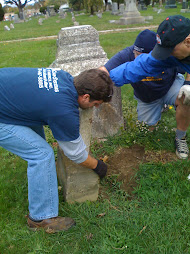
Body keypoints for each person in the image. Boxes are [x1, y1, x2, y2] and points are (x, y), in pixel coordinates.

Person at [0, 67, 113, 233]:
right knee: (41, 154)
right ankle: (40, 218)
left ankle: (42, 180)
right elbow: (75, 153)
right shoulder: (64, 109)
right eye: (96, 104)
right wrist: (98, 166)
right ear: (86, 96)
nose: (95, 107)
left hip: (7, 95)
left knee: (37, 135)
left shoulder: (63, 77)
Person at [101, 15, 190, 159]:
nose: (166, 56)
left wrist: (187, 85)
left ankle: (180, 137)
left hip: (169, 87)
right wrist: (101, 81)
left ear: (188, 42)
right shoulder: (172, 53)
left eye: (169, 51)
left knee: (187, 99)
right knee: (145, 130)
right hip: (148, 97)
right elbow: (141, 65)